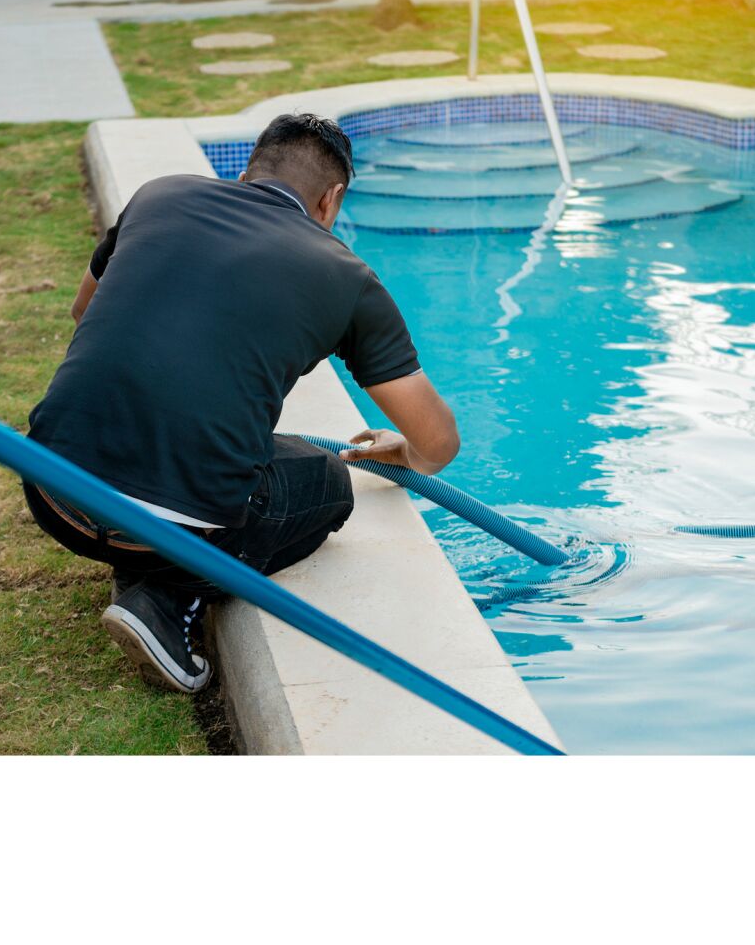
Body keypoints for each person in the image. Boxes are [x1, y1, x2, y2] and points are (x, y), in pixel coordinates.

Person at [24, 112, 459, 694]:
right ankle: (166, 597)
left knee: (275, 451)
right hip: (174, 524)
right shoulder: (344, 273)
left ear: (250, 169)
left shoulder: (159, 195)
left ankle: (144, 550)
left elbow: (83, 313)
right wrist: (404, 451)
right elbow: (439, 446)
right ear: (330, 200)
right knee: (326, 480)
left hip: (52, 490)